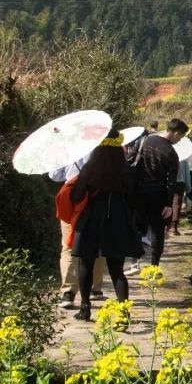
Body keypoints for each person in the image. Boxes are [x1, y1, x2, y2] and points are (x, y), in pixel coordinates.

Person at [68, 129, 142, 322]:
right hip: (118, 218)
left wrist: (78, 183)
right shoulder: (127, 169)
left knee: (86, 264)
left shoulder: (90, 168)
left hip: (92, 217)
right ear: (119, 147)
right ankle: (124, 314)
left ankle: (85, 309)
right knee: (117, 269)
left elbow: (75, 197)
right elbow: (133, 199)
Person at [130, 118, 187, 273]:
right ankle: (154, 266)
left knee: (137, 228)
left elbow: (130, 160)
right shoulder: (171, 153)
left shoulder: (144, 140)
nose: (179, 140)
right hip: (158, 196)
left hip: (138, 193)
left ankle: (135, 263)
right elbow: (171, 182)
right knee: (157, 232)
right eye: (180, 137)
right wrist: (169, 204)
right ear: (175, 133)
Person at [50, 156, 104, 308]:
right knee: (96, 244)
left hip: (73, 199)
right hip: (96, 200)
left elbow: (54, 175)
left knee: (68, 245)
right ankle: (95, 288)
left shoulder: (68, 149)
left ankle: (68, 292)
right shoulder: (101, 145)